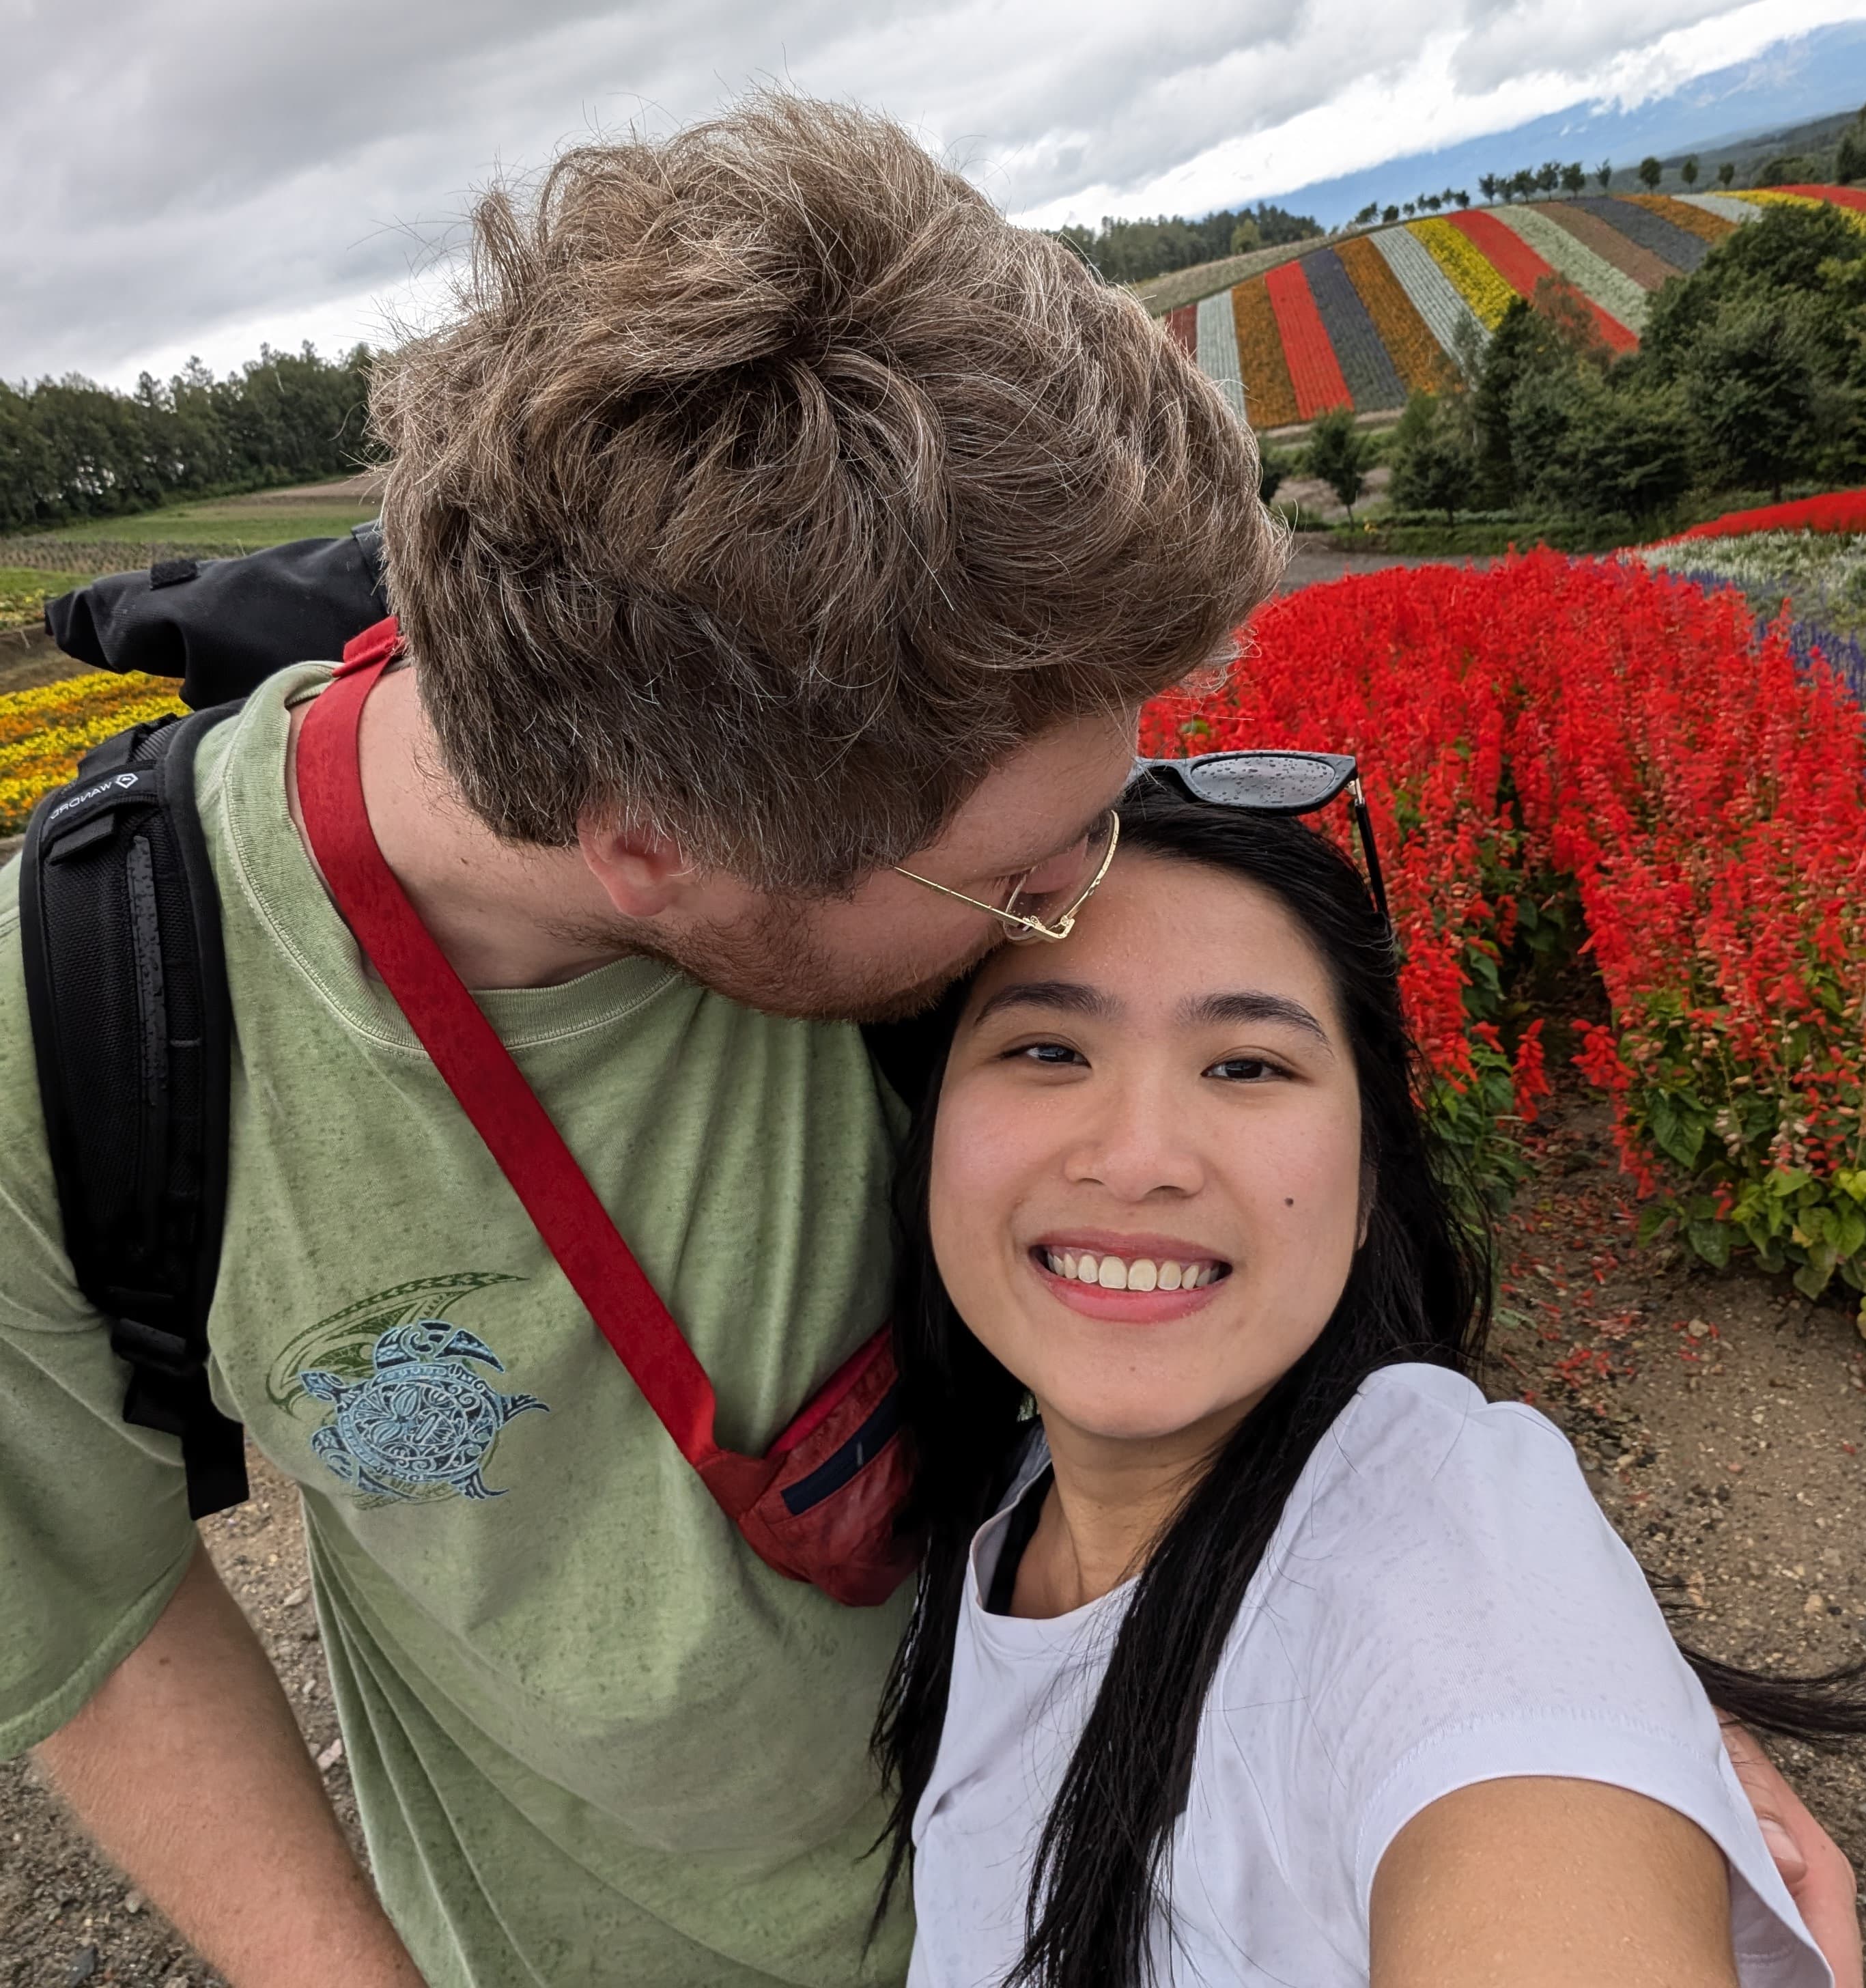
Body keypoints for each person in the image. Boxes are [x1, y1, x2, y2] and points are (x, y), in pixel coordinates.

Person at [0, 96, 1280, 1988]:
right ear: (655, 852)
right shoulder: (81, 1030)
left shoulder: (911, 782)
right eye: (1011, 883)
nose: (1088, 913)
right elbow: (85, 1616)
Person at [877, 782, 1865, 1988]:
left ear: (1366, 1185)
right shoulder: (992, 1509)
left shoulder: (1455, 1558)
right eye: (1046, 1048)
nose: (1136, 1159)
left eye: (1245, 1065)